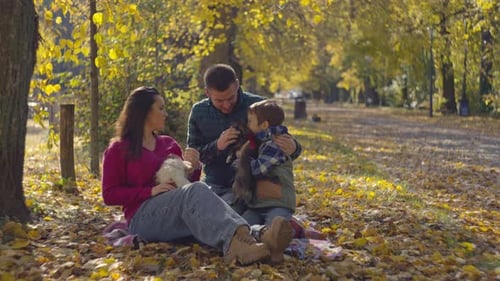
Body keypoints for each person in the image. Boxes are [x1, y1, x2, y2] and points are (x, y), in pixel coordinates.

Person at [101, 86, 289, 265]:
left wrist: (195, 167)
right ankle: (238, 246)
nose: (165, 113)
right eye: (161, 108)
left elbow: (190, 191)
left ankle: (264, 237)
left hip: (175, 212)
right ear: (144, 112)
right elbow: (109, 195)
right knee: (198, 192)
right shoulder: (118, 148)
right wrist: (150, 191)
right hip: (142, 218)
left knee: (206, 205)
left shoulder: (168, 143)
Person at [187, 64, 302, 208]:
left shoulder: (257, 106)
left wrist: (294, 148)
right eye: (219, 101)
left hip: (254, 188)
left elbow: (284, 144)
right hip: (215, 185)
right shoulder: (199, 112)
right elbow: (193, 157)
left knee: (232, 216)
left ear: (236, 85)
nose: (227, 105)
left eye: (230, 98)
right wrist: (217, 145)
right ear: (207, 92)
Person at [233, 99, 296, 263]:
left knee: (276, 228)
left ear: (264, 125)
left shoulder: (274, 144)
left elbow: (259, 170)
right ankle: (265, 244)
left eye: (251, 121)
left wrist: (242, 158)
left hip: (277, 202)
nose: (248, 125)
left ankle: (272, 245)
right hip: (257, 205)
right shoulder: (260, 142)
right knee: (239, 227)